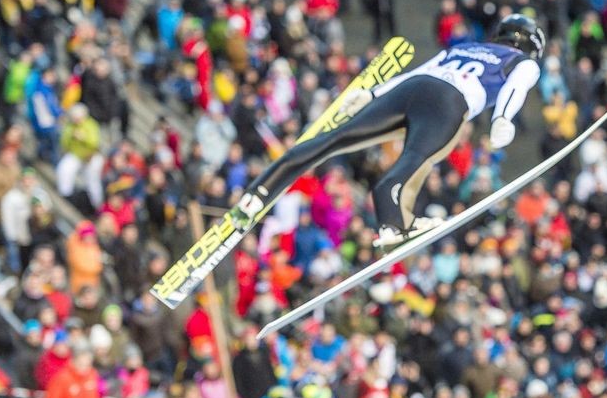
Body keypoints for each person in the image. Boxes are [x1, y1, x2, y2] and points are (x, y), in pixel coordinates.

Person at [230, 15, 545, 248]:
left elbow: (421, 71)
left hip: (413, 88)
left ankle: (258, 192)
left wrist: (372, 94)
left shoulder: (466, 47)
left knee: (334, 140)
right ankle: (391, 223)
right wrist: (502, 120)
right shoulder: (523, 61)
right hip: (450, 100)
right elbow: (515, 88)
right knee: (414, 158)